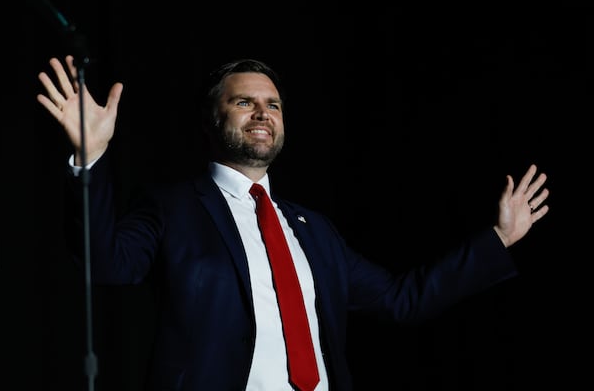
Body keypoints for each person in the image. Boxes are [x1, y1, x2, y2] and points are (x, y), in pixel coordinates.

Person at [37, 54, 550, 391]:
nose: (263, 113)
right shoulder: (171, 207)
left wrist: (499, 239)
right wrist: (91, 156)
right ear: (212, 119)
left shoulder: (313, 229)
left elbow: (401, 299)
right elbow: (105, 261)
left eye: (273, 105)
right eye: (244, 102)